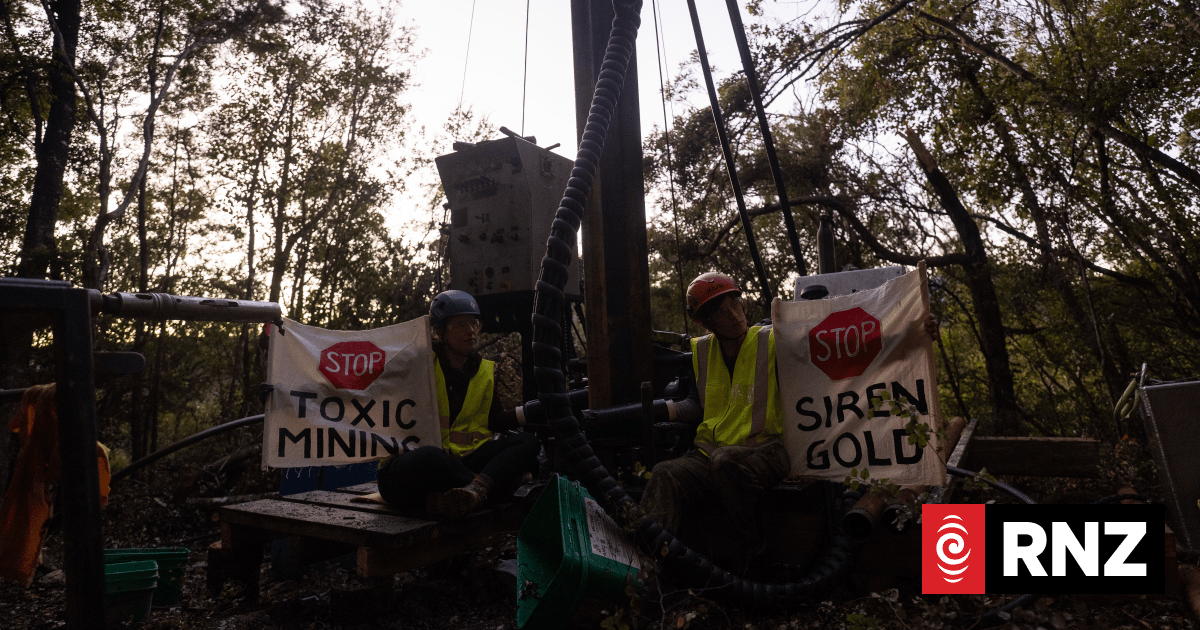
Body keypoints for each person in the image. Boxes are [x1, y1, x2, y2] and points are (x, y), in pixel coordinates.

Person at [640, 272, 789, 558]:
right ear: (704, 322)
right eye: (722, 312)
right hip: (711, 454)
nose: (734, 315)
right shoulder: (703, 353)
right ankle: (647, 572)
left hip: (767, 449)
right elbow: (697, 404)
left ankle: (752, 553)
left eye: (736, 304)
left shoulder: (772, 341)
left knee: (725, 462)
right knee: (664, 472)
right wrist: (661, 412)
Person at [376, 290, 540, 518]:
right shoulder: (418, 362)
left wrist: (532, 411)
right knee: (431, 457)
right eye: (461, 324)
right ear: (440, 331)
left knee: (529, 443)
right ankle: (492, 485)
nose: (471, 331)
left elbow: (495, 420)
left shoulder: (483, 371)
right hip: (413, 465)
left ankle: (475, 490)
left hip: (462, 461)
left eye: (474, 323)